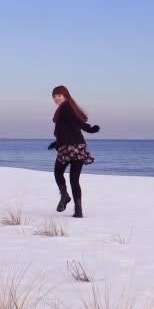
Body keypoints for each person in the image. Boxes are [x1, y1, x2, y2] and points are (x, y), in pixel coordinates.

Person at [48, 85, 100, 218]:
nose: (56, 99)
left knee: (58, 172)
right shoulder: (68, 108)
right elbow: (70, 128)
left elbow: (76, 121)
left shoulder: (65, 109)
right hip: (78, 147)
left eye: (59, 95)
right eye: (54, 96)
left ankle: (65, 196)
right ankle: (78, 211)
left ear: (65, 95)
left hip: (69, 148)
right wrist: (57, 142)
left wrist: (89, 129)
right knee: (74, 180)